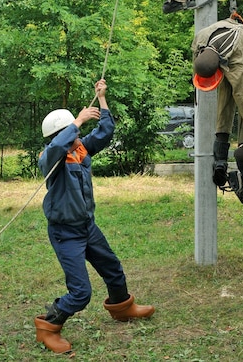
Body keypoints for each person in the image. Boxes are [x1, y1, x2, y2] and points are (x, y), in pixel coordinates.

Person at [35, 79, 154, 354]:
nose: (78, 135)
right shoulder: (50, 157)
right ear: (62, 133)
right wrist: (77, 121)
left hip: (87, 227)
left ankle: (122, 308)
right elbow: (55, 149)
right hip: (65, 233)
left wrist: (101, 99)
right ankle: (47, 327)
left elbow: (106, 131)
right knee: (80, 293)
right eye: (72, 132)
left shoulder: (81, 149)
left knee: (112, 267)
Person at [191, 16, 243, 203]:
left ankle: (240, 176)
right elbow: (199, 68)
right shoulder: (200, 40)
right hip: (221, 53)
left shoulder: (238, 63)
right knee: (225, 103)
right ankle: (221, 163)